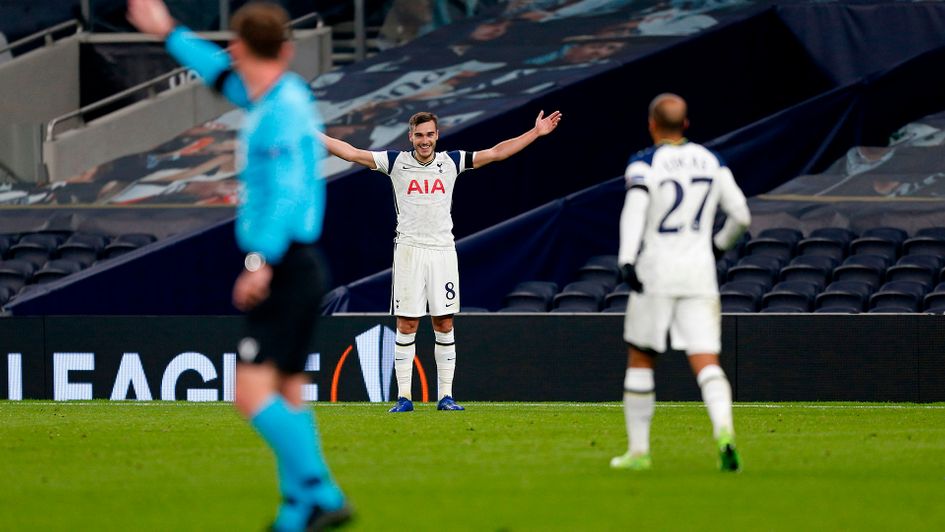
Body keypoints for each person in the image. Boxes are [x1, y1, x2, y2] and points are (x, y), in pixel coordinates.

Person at [127, 1, 351, 529]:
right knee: (288, 392)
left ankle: (322, 491)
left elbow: (287, 194)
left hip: (285, 264)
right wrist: (168, 32)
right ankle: (296, 510)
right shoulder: (279, 93)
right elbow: (220, 75)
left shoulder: (277, 112)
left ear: (239, 47)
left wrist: (260, 262)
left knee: (249, 393)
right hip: (300, 262)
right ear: (287, 51)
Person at [320, 109, 562, 412]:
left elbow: (497, 152)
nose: (425, 140)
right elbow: (352, 153)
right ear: (411, 136)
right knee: (406, 323)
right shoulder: (395, 162)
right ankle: (404, 398)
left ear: (437, 135)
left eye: (430, 134)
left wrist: (535, 132)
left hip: (443, 252)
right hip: (409, 252)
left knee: (444, 322)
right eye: (419, 135)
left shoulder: (451, 161)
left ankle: (446, 396)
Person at [611, 93, 750, 472]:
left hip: (656, 269)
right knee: (706, 359)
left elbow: (635, 209)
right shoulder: (711, 160)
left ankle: (639, 452)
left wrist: (626, 259)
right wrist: (718, 248)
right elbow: (741, 215)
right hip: (699, 272)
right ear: (686, 124)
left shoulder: (644, 163)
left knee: (642, 356)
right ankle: (724, 432)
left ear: (652, 124)